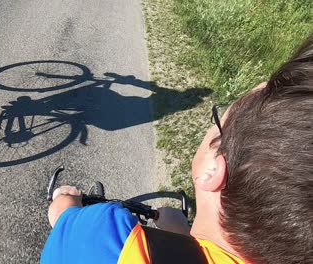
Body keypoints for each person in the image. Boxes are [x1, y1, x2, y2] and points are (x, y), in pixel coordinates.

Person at [41, 34, 313, 264]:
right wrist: (182, 235)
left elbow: (63, 215)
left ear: (213, 169)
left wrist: (66, 199)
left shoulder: (104, 235)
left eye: (219, 122)